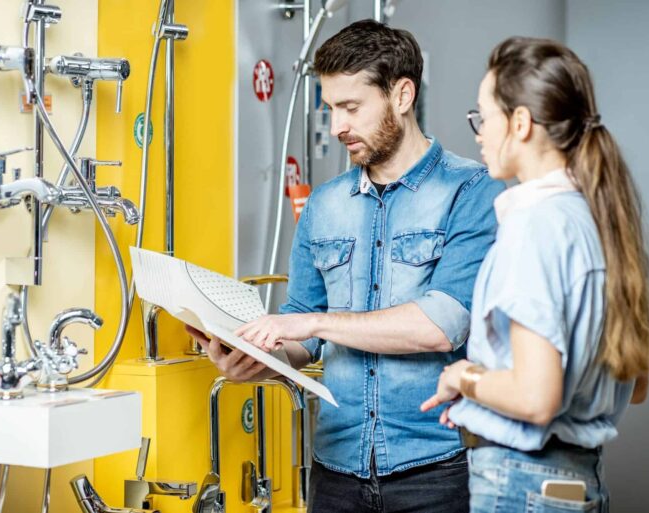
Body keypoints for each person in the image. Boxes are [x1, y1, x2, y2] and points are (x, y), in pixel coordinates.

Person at [187, 20, 503, 513]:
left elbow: (441, 325)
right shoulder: (324, 205)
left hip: (434, 471)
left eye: (351, 107)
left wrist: (311, 322)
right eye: (330, 107)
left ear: (402, 95)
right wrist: (259, 360)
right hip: (334, 473)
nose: (337, 126)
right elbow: (302, 329)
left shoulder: (472, 191)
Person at [419, 37, 649, 513]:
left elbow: (536, 397)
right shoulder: (596, 218)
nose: (479, 132)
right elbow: (637, 382)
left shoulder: (535, 226)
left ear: (520, 123)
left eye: (483, 117)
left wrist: (466, 377)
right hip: (574, 479)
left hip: (521, 483)